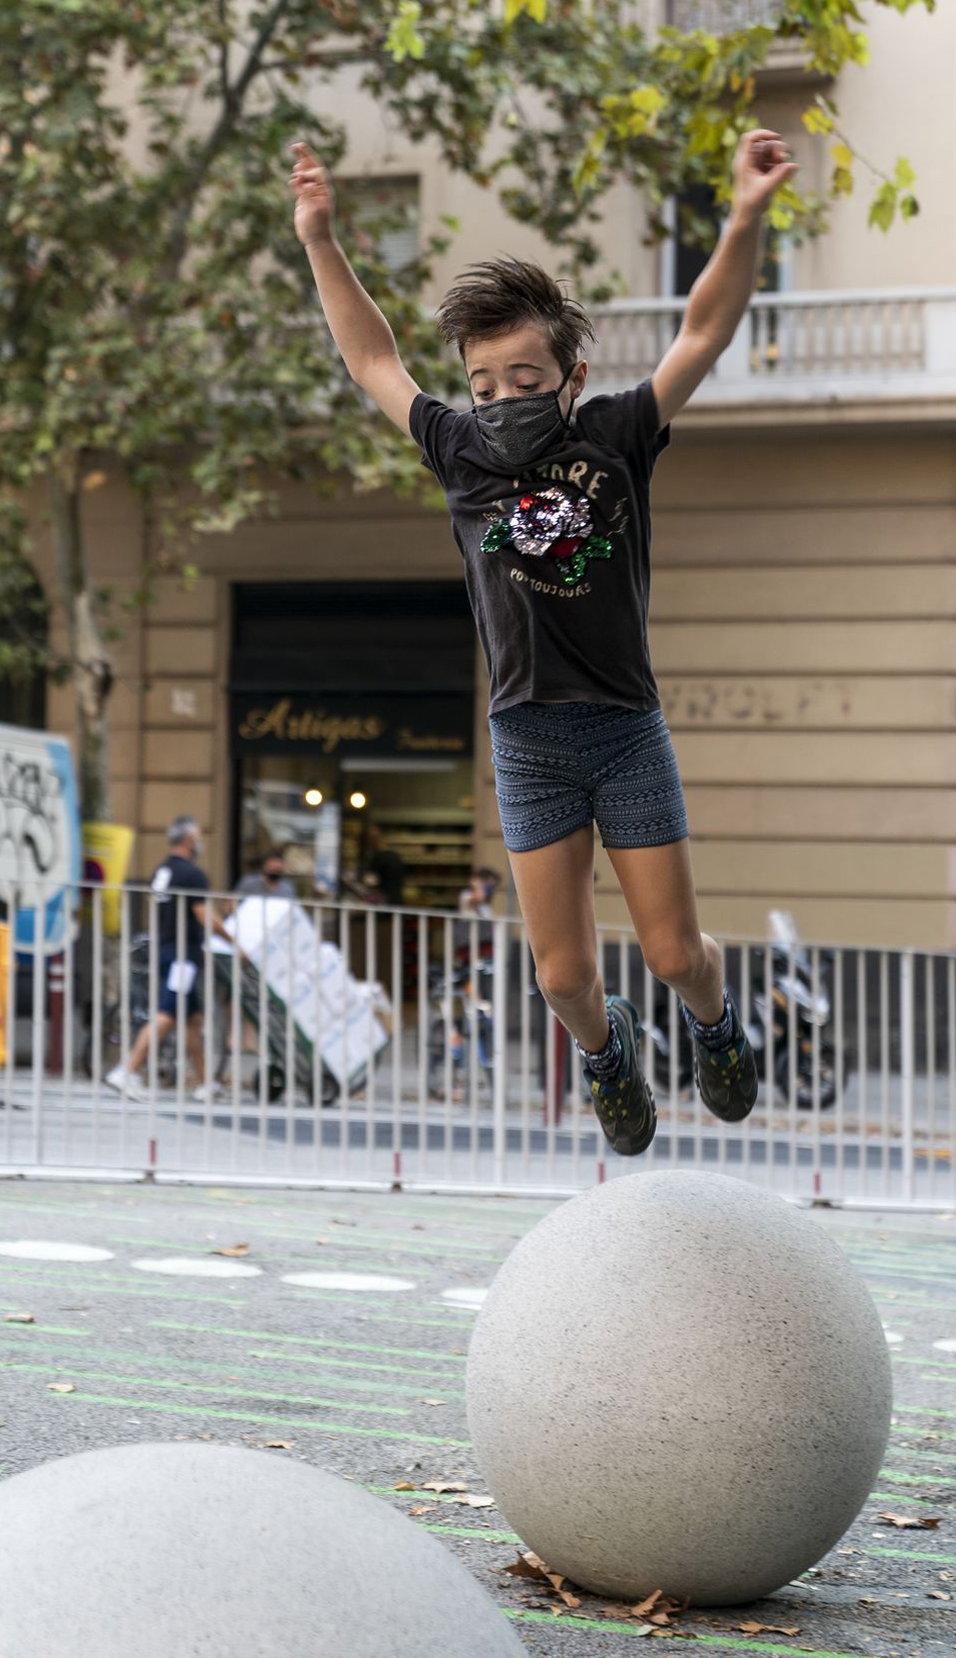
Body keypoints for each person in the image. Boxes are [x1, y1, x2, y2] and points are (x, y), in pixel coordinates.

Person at [291, 126, 794, 1156]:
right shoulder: (459, 452)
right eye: (484, 384)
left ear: (571, 376)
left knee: (674, 954)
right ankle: (609, 1058)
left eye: (525, 380)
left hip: (623, 730)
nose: (502, 401)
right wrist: (320, 239)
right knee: (562, 978)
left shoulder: (615, 436)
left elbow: (703, 331)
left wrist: (745, 215)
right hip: (526, 741)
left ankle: (716, 1024)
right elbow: (372, 357)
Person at [107, 815, 218, 1101]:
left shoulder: (162, 871)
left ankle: (206, 1083)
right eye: (198, 837)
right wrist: (232, 938)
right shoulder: (192, 874)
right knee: (167, 1014)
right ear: (190, 840)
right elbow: (203, 914)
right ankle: (128, 1070)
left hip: (167, 950)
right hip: (183, 957)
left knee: (192, 1018)